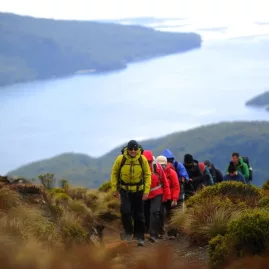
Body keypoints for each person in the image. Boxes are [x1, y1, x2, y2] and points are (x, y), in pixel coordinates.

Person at [110, 140, 151, 247]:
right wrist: (114, 189)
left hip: (139, 190)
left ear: (138, 150)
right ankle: (128, 232)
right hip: (124, 190)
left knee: (139, 215)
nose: (133, 151)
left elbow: (147, 175)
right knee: (125, 211)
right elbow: (114, 173)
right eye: (131, 149)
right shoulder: (121, 159)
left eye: (135, 149)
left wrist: (146, 191)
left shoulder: (142, 159)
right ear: (127, 149)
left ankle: (139, 237)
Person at [143, 150, 171, 243]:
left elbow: (164, 181)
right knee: (146, 214)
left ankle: (153, 234)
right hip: (145, 195)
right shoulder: (139, 169)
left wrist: (167, 196)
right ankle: (148, 231)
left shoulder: (157, 167)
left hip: (157, 193)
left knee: (154, 213)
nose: (147, 163)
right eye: (145, 161)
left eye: (149, 161)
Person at [156, 155, 180, 238]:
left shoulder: (172, 172)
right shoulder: (154, 173)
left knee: (171, 214)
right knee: (159, 214)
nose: (162, 167)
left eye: (163, 165)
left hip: (169, 197)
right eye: (160, 165)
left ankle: (172, 233)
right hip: (158, 197)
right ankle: (160, 232)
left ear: (166, 164)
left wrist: (174, 198)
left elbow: (176, 186)